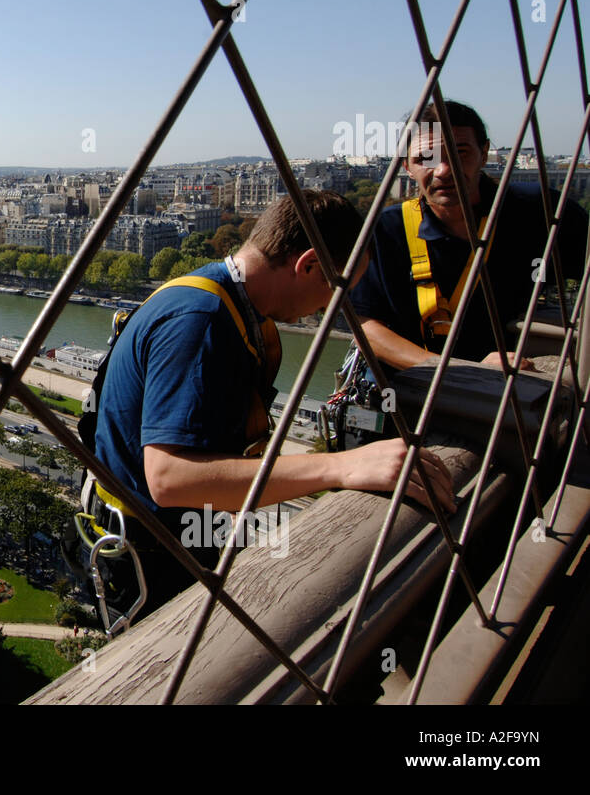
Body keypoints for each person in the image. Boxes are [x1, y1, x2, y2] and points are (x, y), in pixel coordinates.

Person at [85, 190, 454, 623]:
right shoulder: (201, 320)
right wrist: (343, 467)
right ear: (309, 265)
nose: (327, 311)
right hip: (158, 558)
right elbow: (171, 479)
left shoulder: (215, 298)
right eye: (335, 293)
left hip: (158, 540)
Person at [351, 100, 588, 370]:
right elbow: (367, 328)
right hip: (413, 388)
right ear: (407, 166)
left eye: (459, 154)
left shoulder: (542, 212)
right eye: (425, 158)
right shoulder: (385, 230)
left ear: (484, 154)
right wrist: (459, 372)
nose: (443, 170)